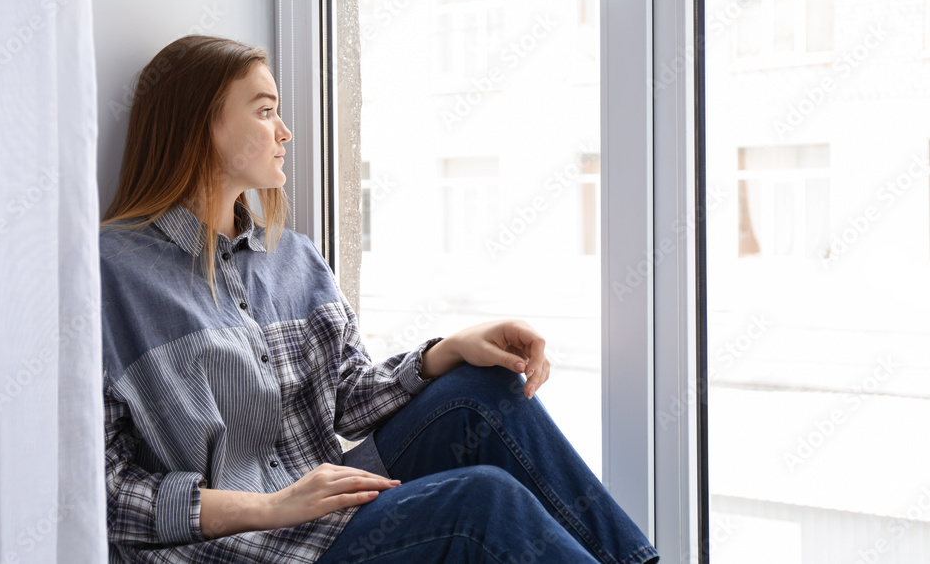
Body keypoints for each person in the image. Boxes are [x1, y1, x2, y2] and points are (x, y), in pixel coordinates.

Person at [100, 34, 659, 564]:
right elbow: (107, 490)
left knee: (481, 388)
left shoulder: (292, 258)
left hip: (329, 516)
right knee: (481, 498)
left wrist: (449, 351)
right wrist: (270, 506)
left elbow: (347, 397)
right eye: (265, 110)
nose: (286, 132)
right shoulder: (113, 276)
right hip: (244, 548)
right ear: (203, 126)